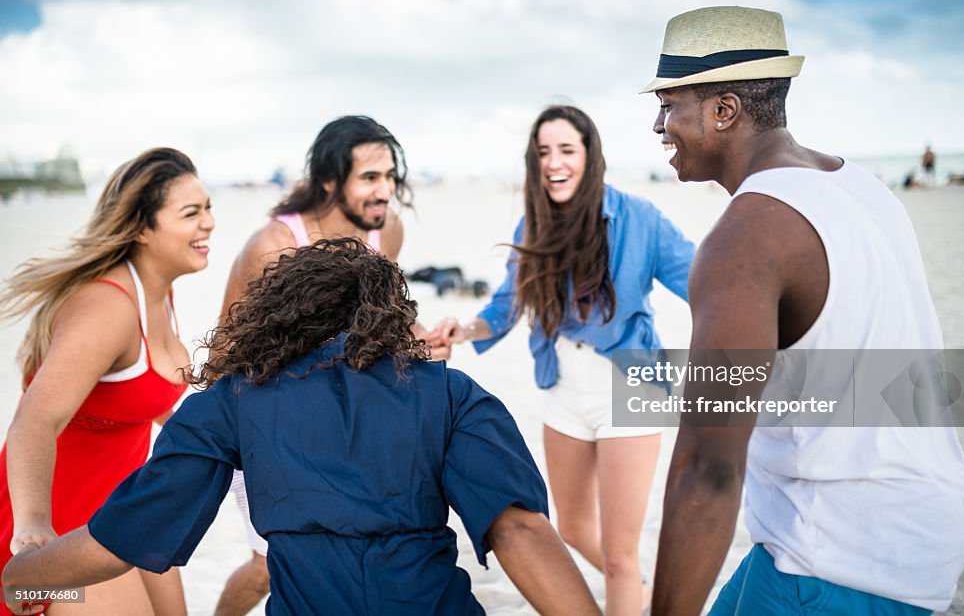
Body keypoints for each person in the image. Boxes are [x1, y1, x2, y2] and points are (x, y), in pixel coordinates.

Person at [2, 238, 601, 616]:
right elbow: (520, 530)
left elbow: (122, 538)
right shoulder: (452, 394)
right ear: (387, 314)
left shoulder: (234, 401)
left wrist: (21, 577)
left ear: (275, 318)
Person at [642, 6, 964, 614]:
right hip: (918, 526)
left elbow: (708, 469)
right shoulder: (859, 185)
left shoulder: (744, 238)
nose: (657, 124)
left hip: (841, 557)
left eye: (669, 104)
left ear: (723, 112)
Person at [433, 105, 696, 615]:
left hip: (632, 383)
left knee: (619, 553)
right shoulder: (533, 225)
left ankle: (632, 588)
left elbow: (702, 282)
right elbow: (506, 306)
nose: (554, 161)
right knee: (573, 528)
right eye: (543, 152)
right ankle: (640, 590)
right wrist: (460, 331)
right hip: (563, 389)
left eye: (566, 150)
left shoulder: (640, 218)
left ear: (589, 155)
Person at [214, 115, 447, 616]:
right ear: (327, 181)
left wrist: (422, 343)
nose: (384, 191)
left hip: (350, 420)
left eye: (389, 176)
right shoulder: (274, 247)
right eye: (369, 178)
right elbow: (223, 358)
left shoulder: (387, 233)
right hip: (268, 423)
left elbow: (383, 324)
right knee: (269, 565)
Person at [0, 148, 214, 616]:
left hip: (124, 514)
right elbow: (33, 420)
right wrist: (34, 527)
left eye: (209, 208)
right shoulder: (108, 306)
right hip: (59, 531)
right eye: (191, 212)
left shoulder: (158, 293)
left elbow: (141, 399)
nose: (209, 222)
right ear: (142, 228)